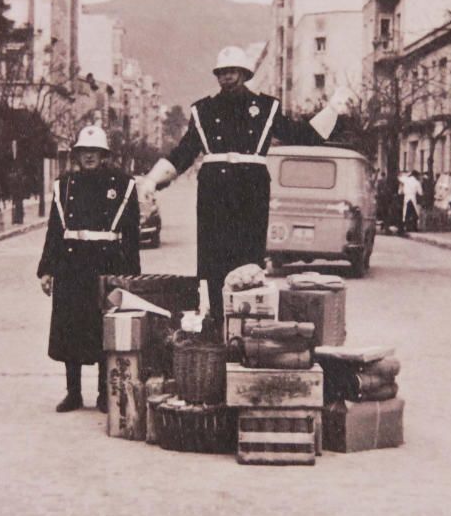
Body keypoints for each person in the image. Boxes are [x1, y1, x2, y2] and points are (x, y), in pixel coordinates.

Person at [137, 45, 347, 329]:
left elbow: (302, 134)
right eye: (222, 73)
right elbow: (184, 153)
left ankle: (247, 327)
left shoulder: (266, 107)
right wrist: (152, 180)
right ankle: (216, 324)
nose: (228, 78)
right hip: (214, 191)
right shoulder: (204, 110)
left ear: (245, 73)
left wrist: (333, 110)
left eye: (233, 72)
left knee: (248, 262)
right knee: (214, 261)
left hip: (251, 190)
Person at [37, 125, 141, 413]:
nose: (89, 156)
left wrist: (132, 276)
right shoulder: (65, 185)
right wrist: (47, 269)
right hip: (71, 263)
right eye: (84, 151)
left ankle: (102, 392)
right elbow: (55, 230)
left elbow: (131, 235)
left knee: (103, 328)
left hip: (107, 263)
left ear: (104, 154)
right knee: (70, 327)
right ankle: (73, 392)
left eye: (95, 151)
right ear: (77, 155)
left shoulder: (122, 184)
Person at [399, 170, 423, 235]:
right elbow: (420, 193)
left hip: (406, 197)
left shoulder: (406, 180)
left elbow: (400, 178)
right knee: (414, 213)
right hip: (413, 197)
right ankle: (414, 227)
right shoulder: (417, 182)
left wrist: (407, 174)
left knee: (406, 212)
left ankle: (405, 226)